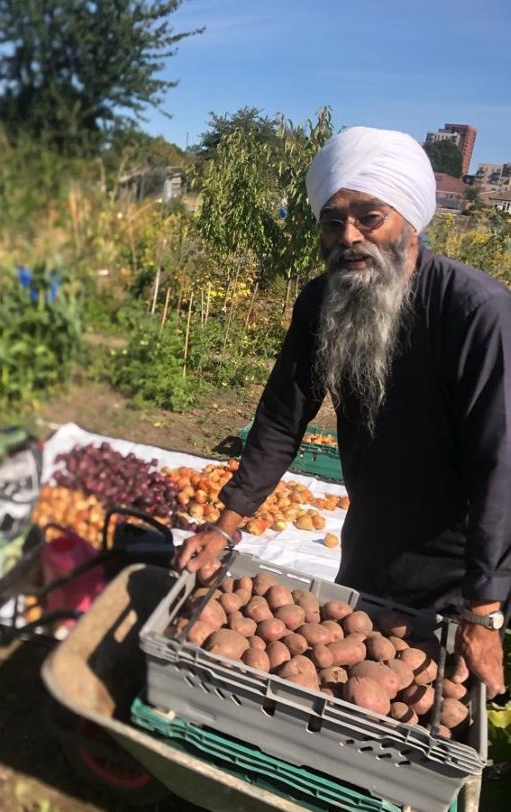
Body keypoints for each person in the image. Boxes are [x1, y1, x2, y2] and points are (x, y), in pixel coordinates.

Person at [176, 126, 510, 698]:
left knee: (443, 699)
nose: (349, 237)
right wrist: (225, 524)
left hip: (464, 561)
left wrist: (484, 610)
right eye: (333, 222)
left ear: (410, 218)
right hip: (371, 539)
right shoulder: (324, 301)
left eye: (369, 218)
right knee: (348, 696)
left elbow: (501, 465)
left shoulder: (477, 313)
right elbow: (282, 419)